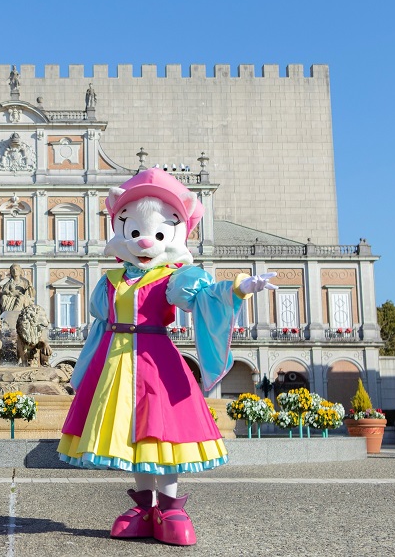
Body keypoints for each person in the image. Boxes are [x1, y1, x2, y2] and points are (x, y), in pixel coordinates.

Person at [58, 168, 276, 546]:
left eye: (159, 234)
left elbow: (203, 298)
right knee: (133, 436)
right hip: (116, 364)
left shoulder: (174, 278)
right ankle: (145, 506)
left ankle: (171, 507)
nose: (145, 241)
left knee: (164, 432)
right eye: (135, 231)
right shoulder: (110, 281)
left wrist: (237, 288)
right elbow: (99, 323)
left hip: (157, 361)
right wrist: (86, 368)